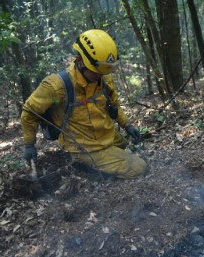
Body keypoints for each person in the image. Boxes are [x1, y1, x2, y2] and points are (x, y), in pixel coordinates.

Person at [21, 29, 147, 178]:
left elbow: (114, 104)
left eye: (103, 72)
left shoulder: (103, 78)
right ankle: (84, 169)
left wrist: (127, 125)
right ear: (80, 61)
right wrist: (29, 144)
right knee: (139, 167)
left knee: (133, 151)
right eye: (96, 71)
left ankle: (102, 168)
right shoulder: (56, 86)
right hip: (84, 148)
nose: (100, 75)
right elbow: (30, 111)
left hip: (108, 136)